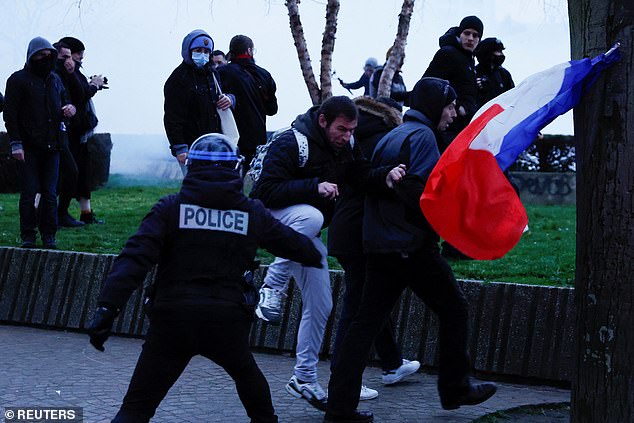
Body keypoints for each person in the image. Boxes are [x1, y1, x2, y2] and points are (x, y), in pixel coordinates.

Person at [87, 133, 323, 423]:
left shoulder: (169, 209)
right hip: (225, 320)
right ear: (235, 168)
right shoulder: (250, 212)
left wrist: (107, 308)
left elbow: (135, 258)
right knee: (248, 379)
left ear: (192, 167)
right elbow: (292, 244)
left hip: (172, 319)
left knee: (136, 408)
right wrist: (313, 254)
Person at [324, 78, 497, 423]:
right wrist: (447, 230)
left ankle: (339, 409)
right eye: (449, 106)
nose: (454, 113)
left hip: (379, 244)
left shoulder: (393, 134)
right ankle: (455, 388)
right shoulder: (424, 137)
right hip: (408, 245)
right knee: (454, 309)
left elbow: (378, 182)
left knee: (363, 326)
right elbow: (420, 194)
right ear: (434, 105)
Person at [250, 96, 404, 410]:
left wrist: (384, 175)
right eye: (341, 129)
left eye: (351, 130)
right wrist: (314, 187)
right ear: (323, 121)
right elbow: (263, 191)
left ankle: (304, 377)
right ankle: (272, 286)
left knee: (322, 301)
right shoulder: (291, 142)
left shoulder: (345, 147)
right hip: (271, 221)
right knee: (312, 217)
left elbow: (360, 173)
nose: (347, 136)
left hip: (301, 234)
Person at [327, 96, 420, 401]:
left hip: (347, 231)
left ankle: (391, 364)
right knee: (357, 309)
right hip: (360, 233)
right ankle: (344, 379)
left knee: (370, 303)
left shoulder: (359, 138)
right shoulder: (384, 139)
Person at [4, 37, 76, 249]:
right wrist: (16, 143)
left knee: (50, 193)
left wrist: (70, 109)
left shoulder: (54, 80)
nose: (45, 59)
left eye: (48, 55)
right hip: (28, 146)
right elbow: (10, 114)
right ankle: (28, 235)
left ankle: (49, 235)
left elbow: (65, 101)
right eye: (40, 55)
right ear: (31, 57)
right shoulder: (17, 80)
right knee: (29, 192)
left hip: (52, 145)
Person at [164, 29, 234, 174]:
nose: (203, 54)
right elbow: (173, 118)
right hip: (192, 147)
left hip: (215, 143)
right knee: (196, 189)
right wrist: (180, 148)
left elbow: (225, 94)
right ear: (188, 51)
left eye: (206, 51)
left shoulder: (212, 73)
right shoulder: (178, 79)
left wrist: (230, 99)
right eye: (198, 50)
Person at [57, 36, 108, 225]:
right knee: (65, 173)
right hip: (72, 131)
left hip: (78, 132)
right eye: (78, 54)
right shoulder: (64, 73)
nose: (80, 59)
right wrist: (93, 85)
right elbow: (80, 93)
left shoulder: (69, 72)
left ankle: (84, 214)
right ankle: (49, 213)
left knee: (80, 174)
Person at [423, 15, 483, 151]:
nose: (470, 38)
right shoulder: (448, 54)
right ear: (459, 33)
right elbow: (427, 85)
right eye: (467, 33)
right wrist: (457, 107)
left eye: (475, 35)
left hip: (462, 127)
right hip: (446, 127)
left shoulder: (469, 61)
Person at [218, 35, 278, 168]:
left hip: (229, 139)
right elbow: (272, 110)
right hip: (257, 140)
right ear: (249, 51)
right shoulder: (265, 75)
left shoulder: (221, 73)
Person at [474, 37, 515, 108]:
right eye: (499, 51)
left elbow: (512, 97)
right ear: (488, 53)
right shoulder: (474, 73)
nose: (502, 55)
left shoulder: (504, 74)